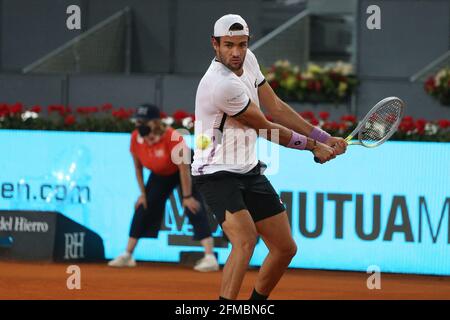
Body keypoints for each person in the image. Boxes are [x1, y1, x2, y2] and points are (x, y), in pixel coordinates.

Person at [192, 14, 348, 299]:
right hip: (215, 173)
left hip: (248, 169)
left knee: (285, 248)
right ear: (214, 44)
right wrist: (313, 146)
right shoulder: (221, 84)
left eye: (241, 44)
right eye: (228, 45)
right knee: (245, 241)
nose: (236, 52)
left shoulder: (248, 59)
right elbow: (266, 127)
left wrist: (324, 137)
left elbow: (275, 107)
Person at [108, 103, 219, 272]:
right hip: (160, 174)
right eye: (138, 121)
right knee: (143, 206)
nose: (139, 125)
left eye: (144, 121)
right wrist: (143, 194)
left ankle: (210, 257)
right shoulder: (135, 138)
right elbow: (138, 168)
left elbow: (183, 169)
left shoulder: (172, 137)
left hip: (185, 169)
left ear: (155, 122)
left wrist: (187, 197)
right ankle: (127, 255)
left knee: (193, 206)